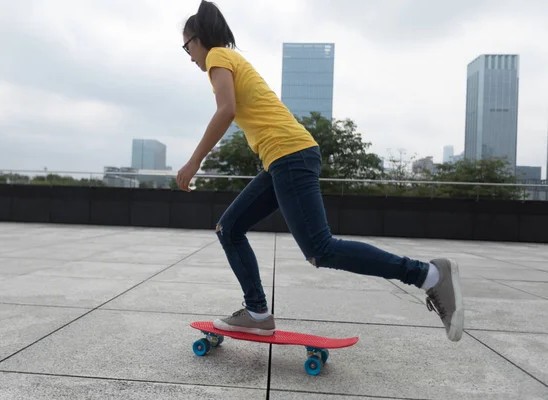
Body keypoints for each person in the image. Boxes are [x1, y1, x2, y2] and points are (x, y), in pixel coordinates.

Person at [177, 0, 464, 342]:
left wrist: (194, 161)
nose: (189, 55)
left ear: (200, 38)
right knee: (230, 227)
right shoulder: (230, 58)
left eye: (187, 46)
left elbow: (226, 110)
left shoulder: (218, 57)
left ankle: (429, 275)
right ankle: (257, 312)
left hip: (290, 155)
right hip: (282, 158)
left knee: (320, 249)